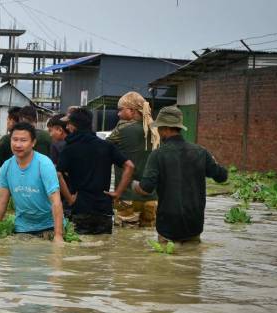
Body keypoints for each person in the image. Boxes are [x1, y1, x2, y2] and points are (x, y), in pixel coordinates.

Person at [133, 106, 228, 243]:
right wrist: (213, 161)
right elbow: (222, 176)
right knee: (191, 261)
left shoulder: (158, 155)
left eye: (159, 128)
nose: (158, 132)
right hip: (193, 224)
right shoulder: (200, 152)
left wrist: (135, 185)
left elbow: (146, 187)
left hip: (168, 225)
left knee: (166, 263)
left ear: (165, 129)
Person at [56, 108, 135, 234]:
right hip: (104, 209)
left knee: (80, 250)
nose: (67, 126)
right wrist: (118, 193)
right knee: (103, 249)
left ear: (74, 126)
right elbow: (129, 166)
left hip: (81, 207)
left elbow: (58, 174)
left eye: (69, 123)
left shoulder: (69, 148)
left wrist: (70, 199)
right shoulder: (106, 146)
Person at [0, 122, 65, 244]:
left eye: (23, 140)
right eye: (14, 140)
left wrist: (58, 235)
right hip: (22, 228)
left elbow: (56, 201)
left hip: (49, 227)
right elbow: (2, 201)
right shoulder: (7, 166)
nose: (18, 144)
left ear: (33, 143)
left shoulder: (44, 164)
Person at [107, 92, 161, 228]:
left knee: (124, 242)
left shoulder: (122, 128)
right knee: (146, 239)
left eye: (120, 110)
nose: (118, 114)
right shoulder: (156, 131)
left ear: (131, 111)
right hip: (151, 198)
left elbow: (104, 148)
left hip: (127, 196)